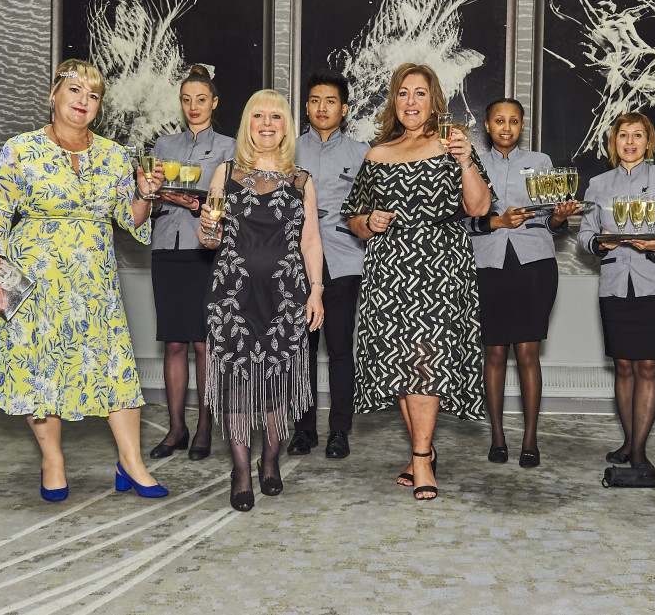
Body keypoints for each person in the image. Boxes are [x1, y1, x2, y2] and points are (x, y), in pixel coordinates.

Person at [0, 59, 168, 501]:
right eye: (75, 90)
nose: (83, 101)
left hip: (93, 282)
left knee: (114, 367)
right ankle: (53, 459)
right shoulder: (19, 149)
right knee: (39, 368)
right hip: (32, 277)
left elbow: (131, 221)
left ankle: (131, 462)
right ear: (55, 94)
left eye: (93, 95)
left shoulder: (113, 154)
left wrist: (143, 194)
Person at [342, 63, 494, 500]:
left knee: (426, 361)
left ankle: (423, 460)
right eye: (403, 93)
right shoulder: (377, 154)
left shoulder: (452, 146)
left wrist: (466, 161)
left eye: (420, 93)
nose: (411, 101)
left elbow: (480, 207)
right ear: (395, 101)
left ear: (434, 101)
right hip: (389, 271)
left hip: (440, 270)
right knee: (403, 366)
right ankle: (420, 451)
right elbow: (354, 220)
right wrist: (369, 220)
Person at [197, 89, 324, 512]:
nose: (267, 124)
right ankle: (240, 470)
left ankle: (270, 461)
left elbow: (310, 242)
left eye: (276, 117)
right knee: (235, 385)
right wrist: (207, 227)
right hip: (231, 297)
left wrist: (317, 290)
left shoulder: (302, 180)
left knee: (275, 384)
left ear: (287, 126)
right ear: (247, 125)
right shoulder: (225, 173)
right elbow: (209, 239)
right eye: (258, 117)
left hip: (286, 298)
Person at [466, 98, 578, 468]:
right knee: (494, 354)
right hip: (487, 265)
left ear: (522, 125)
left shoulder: (541, 163)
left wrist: (560, 218)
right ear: (487, 125)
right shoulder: (470, 164)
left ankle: (530, 439)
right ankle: (497, 437)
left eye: (514, 121)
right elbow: (460, 221)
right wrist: (498, 220)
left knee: (528, 354)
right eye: (499, 120)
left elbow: (551, 224)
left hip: (534, 266)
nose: (507, 127)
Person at [578, 112, 655, 471]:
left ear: (648, 141)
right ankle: (628, 442)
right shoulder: (598, 184)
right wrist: (600, 245)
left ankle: (639, 451)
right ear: (614, 142)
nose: (630, 141)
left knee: (648, 368)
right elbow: (584, 236)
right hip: (613, 285)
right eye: (623, 135)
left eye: (637, 135)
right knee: (623, 367)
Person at [147, 65, 236, 462]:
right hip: (166, 247)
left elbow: (230, 200)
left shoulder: (230, 147)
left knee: (204, 344)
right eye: (187, 100)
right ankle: (176, 427)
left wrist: (195, 201)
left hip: (206, 250)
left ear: (214, 102)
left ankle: (204, 426)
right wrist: (157, 195)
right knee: (174, 343)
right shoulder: (163, 145)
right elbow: (147, 197)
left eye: (201, 99)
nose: (193, 107)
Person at [286, 70, 370, 459]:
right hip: (295, 261)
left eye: (331, 101)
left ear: (345, 109)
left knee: (339, 348)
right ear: (306, 107)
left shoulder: (362, 152)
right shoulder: (287, 149)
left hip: (343, 258)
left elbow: (370, 210)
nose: (322, 107)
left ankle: (339, 429)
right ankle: (304, 429)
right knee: (300, 349)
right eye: (316, 100)